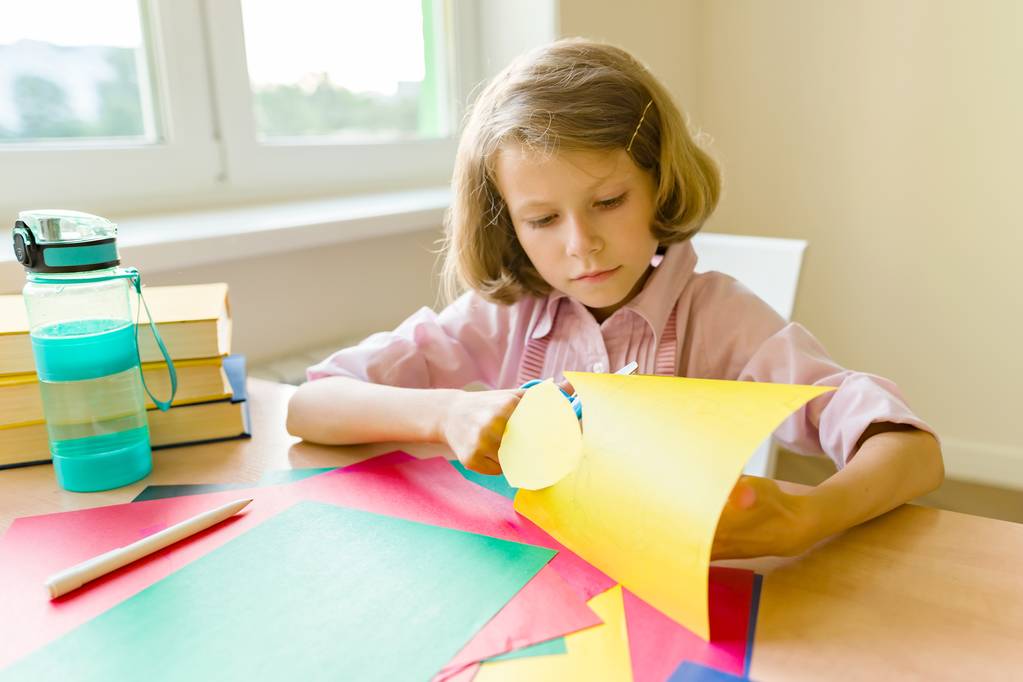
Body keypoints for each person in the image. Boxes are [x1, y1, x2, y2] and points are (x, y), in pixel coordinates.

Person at [286, 38, 943, 559]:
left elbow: (912, 451)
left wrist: (809, 515)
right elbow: (312, 404)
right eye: (542, 219)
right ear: (506, 223)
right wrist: (445, 414)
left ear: (658, 182)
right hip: (523, 587)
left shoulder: (718, 318)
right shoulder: (502, 316)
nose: (582, 246)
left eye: (606, 202)